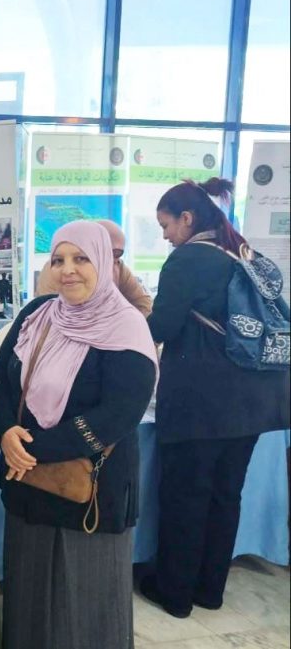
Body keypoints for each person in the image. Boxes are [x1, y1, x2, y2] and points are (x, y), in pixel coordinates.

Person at [0, 220, 157, 649]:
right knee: (28, 597)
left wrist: (31, 449)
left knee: (83, 605)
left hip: (90, 491)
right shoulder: (38, 314)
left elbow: (118, 414)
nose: (68, 270)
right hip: (30, 486)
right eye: (58, 260)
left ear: (104, 261)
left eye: (81, 258)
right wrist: (6, 433)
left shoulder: (126, 327)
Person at [139, 178, 290, 618]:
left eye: (166, 225)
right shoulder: (241, 253)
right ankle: (209, 590)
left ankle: (174, 594)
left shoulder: (187, 259)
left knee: (186, 496)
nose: (165, 235)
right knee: (226, 496)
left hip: (200, 404)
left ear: (187, 219)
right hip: (252, 403)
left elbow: (162, 327)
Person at [36, 219, 152, 315]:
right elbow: (47, 312)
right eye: (109, 251)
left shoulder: (118, 267)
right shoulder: (56, 269)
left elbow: (143, 303)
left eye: (118, 254)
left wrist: (129, 327)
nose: (113, 259)